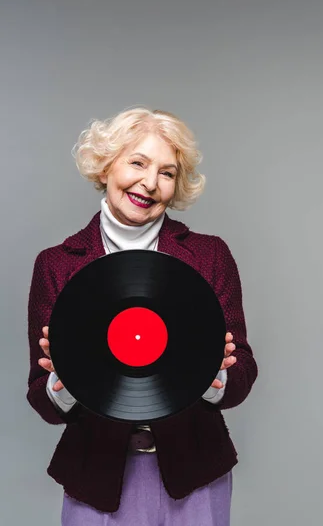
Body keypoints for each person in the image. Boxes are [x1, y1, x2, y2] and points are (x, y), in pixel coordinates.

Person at [27, 107, 258, 526]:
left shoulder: (210, 256)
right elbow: (40, 396)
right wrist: (62, 386)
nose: (150, 183)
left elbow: (242, 371)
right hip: (96, 477)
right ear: (105, 165)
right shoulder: (56, 265)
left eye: (167, 173)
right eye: (137, 162)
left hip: (196, 473)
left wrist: (217, 377)